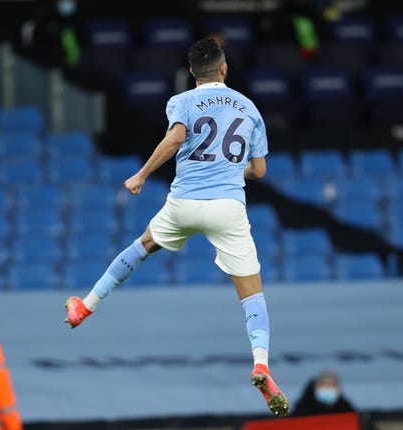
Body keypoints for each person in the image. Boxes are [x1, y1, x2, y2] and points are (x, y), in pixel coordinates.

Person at [64, 37, 289, 417]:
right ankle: (262, 363)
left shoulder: (181, 101)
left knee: (143, 245)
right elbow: (260, 171)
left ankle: (84, 308)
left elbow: (176, 137)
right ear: (223, 67)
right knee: (252, 293)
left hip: (184, 202)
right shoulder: (249, 108)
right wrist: (235, 169)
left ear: (191, 72)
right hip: (227, 207)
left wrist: (140, 175)